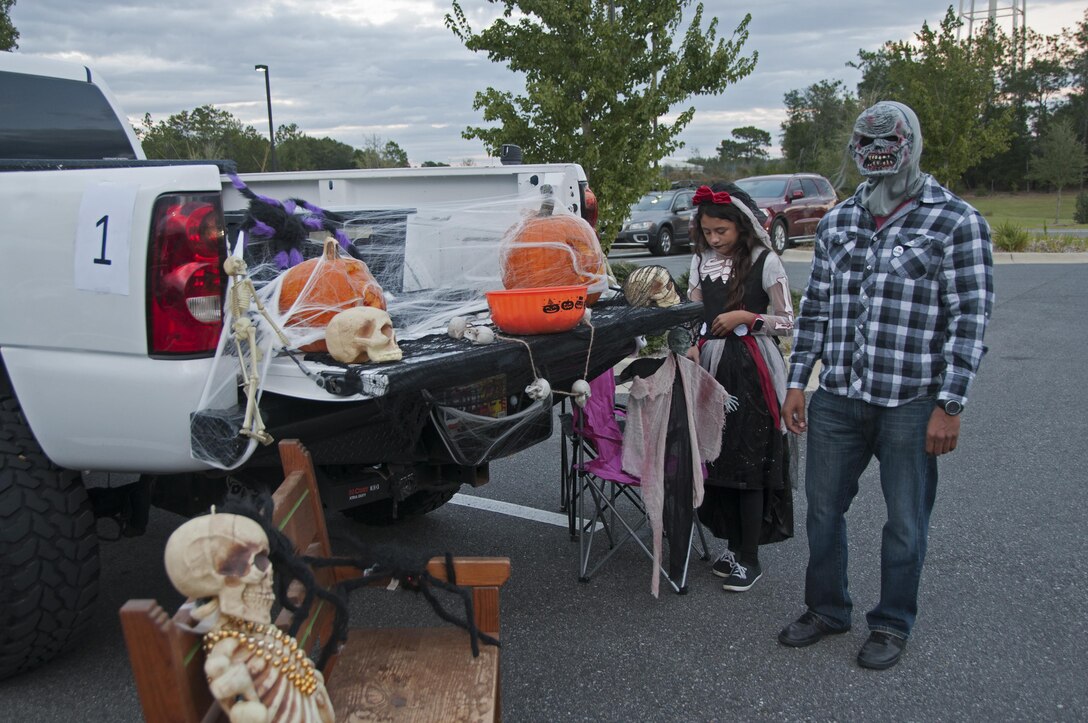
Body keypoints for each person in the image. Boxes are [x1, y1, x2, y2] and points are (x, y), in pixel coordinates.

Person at [777, 101, 994, 670]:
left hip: (912, 400)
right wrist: (799, 380)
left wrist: (951, 403)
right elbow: (817, 305)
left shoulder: (956, 222)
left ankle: (893, 622)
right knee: (823, 510)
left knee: (905, 521)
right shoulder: (838, 221)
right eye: (865, 143)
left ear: (910, 143)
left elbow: (970, 320)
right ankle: (827, 609)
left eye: (887, 142)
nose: (876, 153)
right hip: (839, 396)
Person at [686, 184, 795, 593]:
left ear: (742, 225)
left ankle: (750, 556)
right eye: (708, 232)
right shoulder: (700, 262)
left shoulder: (765, 262)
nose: (714, 239)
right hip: (711, 368)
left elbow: (788, 320)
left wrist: (747, 317)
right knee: (720, 459)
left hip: (752, 370)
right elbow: (692, 313)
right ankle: (732, 545)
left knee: (749, 460)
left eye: (722, 231)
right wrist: (692, 345)